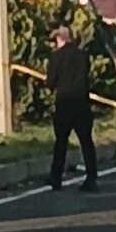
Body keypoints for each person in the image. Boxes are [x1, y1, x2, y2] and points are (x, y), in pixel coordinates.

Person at [45, 26, 98, 192]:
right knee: (86, 142)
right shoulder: (83, 56)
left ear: (60, 39)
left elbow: (50, 83)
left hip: (65, 104)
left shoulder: (56, 57)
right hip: (82, 103)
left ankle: (56, 178)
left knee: (61, 142)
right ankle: (91, 177)